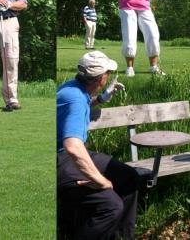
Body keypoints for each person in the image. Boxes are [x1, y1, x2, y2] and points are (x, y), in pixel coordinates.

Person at [57, 51, 140, 239]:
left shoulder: (74, 88)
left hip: (73, 154)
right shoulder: (75, 98)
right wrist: (100, 181)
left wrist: (102, 98)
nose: (108, 77)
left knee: (129, 177)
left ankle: (122, 236)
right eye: (108, 73)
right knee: (111, 206)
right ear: (101, 78)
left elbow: (83, 106)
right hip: (62, 160)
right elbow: (72, 147)